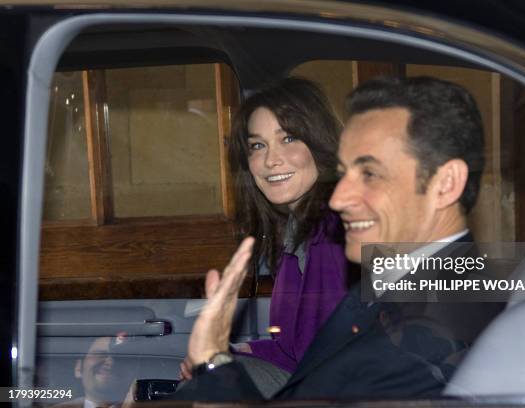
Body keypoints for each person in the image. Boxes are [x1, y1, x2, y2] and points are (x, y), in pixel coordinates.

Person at [172, 76, 503, 402]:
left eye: (370, 173)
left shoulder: (430, 329)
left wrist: (214, 362)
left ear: (445, 184)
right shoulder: (396, 286)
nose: (336, 198)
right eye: (343, 174)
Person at [179, 77, 348, 397]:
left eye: (289, 139)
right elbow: (292, 349)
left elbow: (329, 365)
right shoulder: (297, 233)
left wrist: (216, 362)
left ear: (320, 142)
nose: (271, 160)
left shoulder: (335, 232)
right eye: (258, 145)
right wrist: (229, 351)